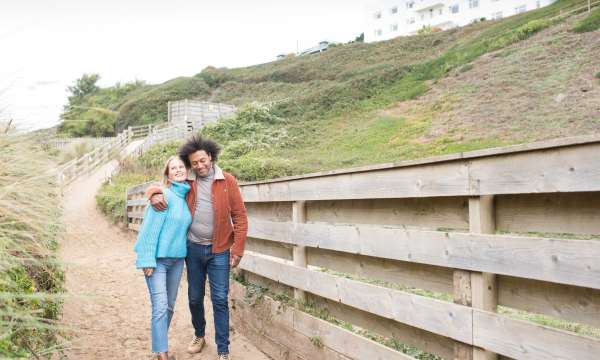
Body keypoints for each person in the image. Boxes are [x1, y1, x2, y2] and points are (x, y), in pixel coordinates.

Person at [146, 135, 248, 360]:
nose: (200, 166)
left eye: (203, 160)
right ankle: (199, 334)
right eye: (195, 163)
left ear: (210, 157)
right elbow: (162, 185)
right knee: (194, 297)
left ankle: (223, 349)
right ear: (190, 164)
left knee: (220, 298)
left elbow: (240, 216)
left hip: (219, 249)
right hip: (192, 249)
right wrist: (153, 194)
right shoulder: (187, 182)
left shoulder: (227, 180)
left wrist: (238, 249)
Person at [134, 155, 192, 360]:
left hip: (177, 261)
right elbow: (149, 230)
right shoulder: (162, 196)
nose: (178, 170)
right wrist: (146, 259)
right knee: (160, 306)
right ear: (168, 174)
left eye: (181, 166)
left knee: (168, 306)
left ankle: (159, 348)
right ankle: (162, 356)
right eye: (173, 168)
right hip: (157, 261)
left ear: (187, 170)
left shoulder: (187, 196)